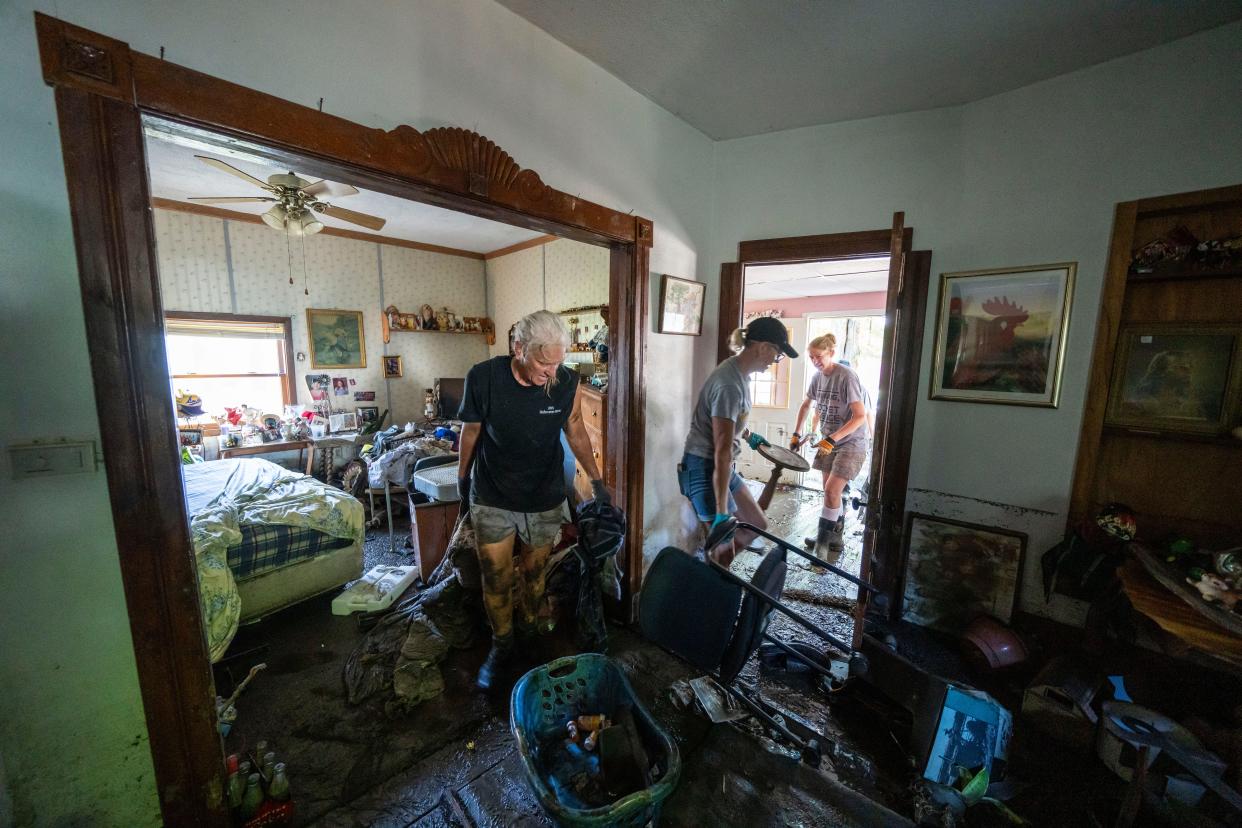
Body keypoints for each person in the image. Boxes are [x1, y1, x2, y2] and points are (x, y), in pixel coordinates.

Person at [457, 310, 610, 690]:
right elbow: (471, 430)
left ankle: (528, 637)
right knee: (496, 579)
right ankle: (501, 646)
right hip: (493, 493)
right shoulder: (483, 377)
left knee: (535, 576)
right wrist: (463, 480)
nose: (552, 372)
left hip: (543, 496)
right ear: (519, 348)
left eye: (558, 362)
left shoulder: (566, 381)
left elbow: (574, 427)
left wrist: (596, 478)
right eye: (544, 363)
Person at [678, 316, 796, 566]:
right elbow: (721, 448)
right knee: (724, 552)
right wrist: (722, 511)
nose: (774, 362)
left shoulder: (739, 375)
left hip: (719, 466)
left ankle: (714, 564)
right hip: (704, 466)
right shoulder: (729, 383)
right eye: (776, 354)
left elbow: (725, 423)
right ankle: (711, 581)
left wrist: (748, 436)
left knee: (756, 524)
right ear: (762, 347)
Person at [791, 333, 869, 558]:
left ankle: (822, 546)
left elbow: (860, 416)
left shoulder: (847, 376)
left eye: (819, 356)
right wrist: (798, 433)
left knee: (832, 490)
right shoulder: (817, 378)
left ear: (831, 353)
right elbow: (806, 405)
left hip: (851, 442)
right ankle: (834, 536)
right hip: (828, 440)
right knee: (830, 493)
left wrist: (832, 439)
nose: (815, 361)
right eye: (811, 357)